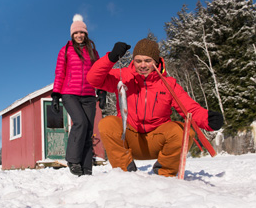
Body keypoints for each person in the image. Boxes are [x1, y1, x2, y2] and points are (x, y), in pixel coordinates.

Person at [86, 39, 224, 177]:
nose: (143, 65)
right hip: (130, 138)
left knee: (183, 132)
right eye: (138, 61)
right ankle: (125, 172)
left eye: (147, 60)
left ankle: (164, 172)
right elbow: (93, 79)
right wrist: (110, 58)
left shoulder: (168, 84)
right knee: (107, 124)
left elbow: (189, 109)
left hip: (157, 140)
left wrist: (207, 119)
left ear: (156, 61)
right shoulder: (123, 77)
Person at [51, 14, 107, 176]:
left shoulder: (93, 51)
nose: (79, 36)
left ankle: (86, 166)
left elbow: (99, 73)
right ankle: (73, 160)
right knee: (80, 122)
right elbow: (60, 72)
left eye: (81, 33)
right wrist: (56, 94)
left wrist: (102, 91)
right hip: (69, 93)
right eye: (75, 33)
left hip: (89, 94)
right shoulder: (66, 50)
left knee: (89, 129)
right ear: (72, 35)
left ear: (86, 33)